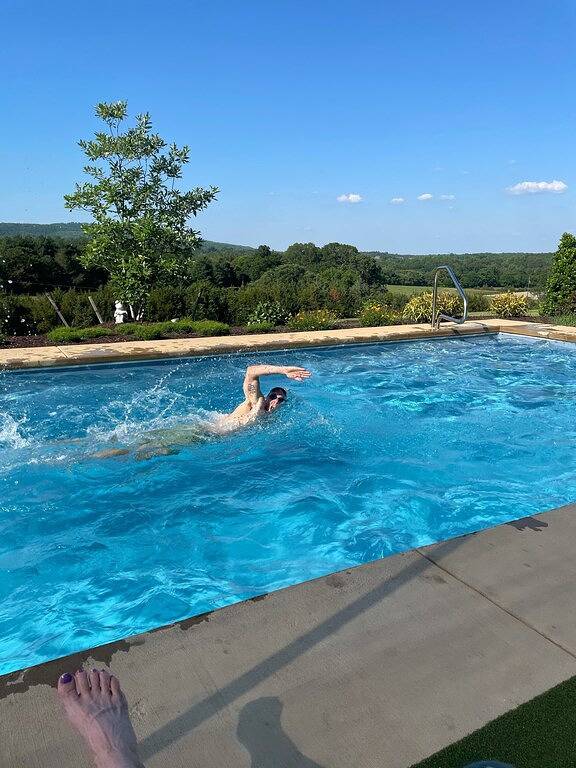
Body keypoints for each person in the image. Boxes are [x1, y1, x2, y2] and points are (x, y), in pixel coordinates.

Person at [92, 363, 312, 459]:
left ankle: (89, 452)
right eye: (274, 395)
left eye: (280, 400)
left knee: (140, 448)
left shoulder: (270, 421)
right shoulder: (256, 401)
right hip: (200, 434)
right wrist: (283, 370)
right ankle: (87, 457)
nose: (274, 400)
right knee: (141, 452)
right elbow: (251, 371)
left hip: (204, 439)